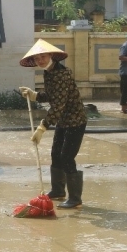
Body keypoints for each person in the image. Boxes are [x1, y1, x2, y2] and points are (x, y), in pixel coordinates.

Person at [18, 39, 88, 209]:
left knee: (66, 157)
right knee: (56, 154)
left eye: (43, 56)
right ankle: (58, 190)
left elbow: (58, 105)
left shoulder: (61, 74)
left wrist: (42, 127)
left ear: (51, 55)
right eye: (37, 58)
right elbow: (52, 95)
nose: (40, 60)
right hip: (63, 121)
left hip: (75, 121)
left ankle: (75, 198)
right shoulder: (49, 72)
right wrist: (35, 95)